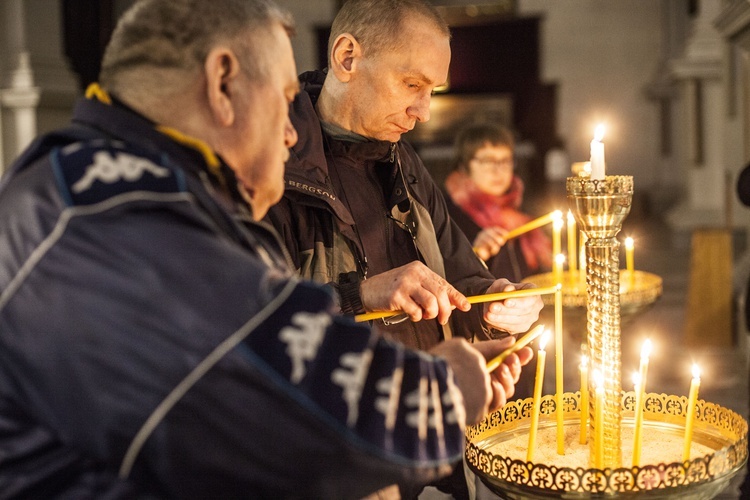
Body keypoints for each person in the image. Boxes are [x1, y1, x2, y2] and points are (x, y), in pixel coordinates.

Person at [0, 1, 533, 498]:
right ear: (223, 82)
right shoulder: (112, 211)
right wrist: (441, 392)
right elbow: (269, 387)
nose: (288, 136)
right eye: (282, 103)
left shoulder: (102, 182)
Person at [264, 1, 543, 497]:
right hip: (343, 459)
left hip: (430, 441)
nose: (424, 112)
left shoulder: (402, 161)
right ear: (347, 57)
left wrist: (494, 307)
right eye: (412, 85)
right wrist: (363, 294)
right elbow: (256, 327)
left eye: (432, 91)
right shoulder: (273, 169)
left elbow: (461, 280)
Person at [444, 122, 552, 282]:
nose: (498, 170)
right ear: (464, 165)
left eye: (505, 160)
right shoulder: (446, 215)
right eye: (487, 160)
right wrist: (475, 254)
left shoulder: (522, 212)